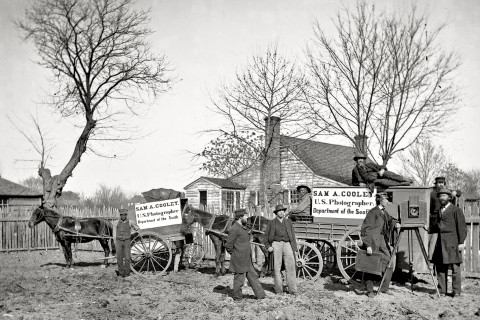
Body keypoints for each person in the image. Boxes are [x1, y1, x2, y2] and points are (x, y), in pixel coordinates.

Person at [358, 192, 400, 297]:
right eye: (386, 199)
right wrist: (367, 245)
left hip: (382, 242)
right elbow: (366, 229)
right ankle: (369, 290)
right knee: (371, 265)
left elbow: (390, 221)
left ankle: (384, 288)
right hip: (372, 242)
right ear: (380, 200)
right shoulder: (373, 212)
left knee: (388, 262)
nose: (388, 202)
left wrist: (396, 223)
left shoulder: (384, 212)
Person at [430, 188, 467, 297]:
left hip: (452, 242)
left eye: (444, 196)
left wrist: (461, 242)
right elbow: (438, 226)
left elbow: (462, 228)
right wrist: (428, 229)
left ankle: (456, 292)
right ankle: (442, 290)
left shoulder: (456, 210)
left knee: (455, 267)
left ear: (449, 198)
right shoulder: (439, 211)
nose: (442, 198)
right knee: (440, 267)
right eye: (440, 196)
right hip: (441, 243)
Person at [224, 209, 266, 300]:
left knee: (253, 276)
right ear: (240, 217)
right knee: (239, 279)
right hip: (239, 258)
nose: (247, 218)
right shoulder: (234, 229)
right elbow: (228, 245)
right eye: (245, 216)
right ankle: (238, 297)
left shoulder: (244, 227)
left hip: (247, 258)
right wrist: (236, 254)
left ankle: (261, 295)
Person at [264, 204, 298, 295]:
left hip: (287, 244)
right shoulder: (271, 223)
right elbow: (265, 236)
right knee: (276, 268)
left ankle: (293, 290)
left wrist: (294, 248)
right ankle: (279, 290)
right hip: (276, 244)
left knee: (290, 267)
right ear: (276, 213)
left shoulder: (288, 222)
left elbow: (293, 236)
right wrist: (268, 247)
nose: (282, 212)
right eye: (279, 211)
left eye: (283, 210)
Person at [115, 208, 140, 278]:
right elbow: (114, 234)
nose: (123, 216)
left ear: (126, 215)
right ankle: (120, 273)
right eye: (122, 215)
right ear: (120, 215)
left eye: (125, 215)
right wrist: (114, 243)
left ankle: (127, 273)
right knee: (119, 257)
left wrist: (131, 233)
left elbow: (137, 229)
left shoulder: (130, 222)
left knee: (127, 258)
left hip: (127, 241)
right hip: (118, 241)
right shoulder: (116, 222)